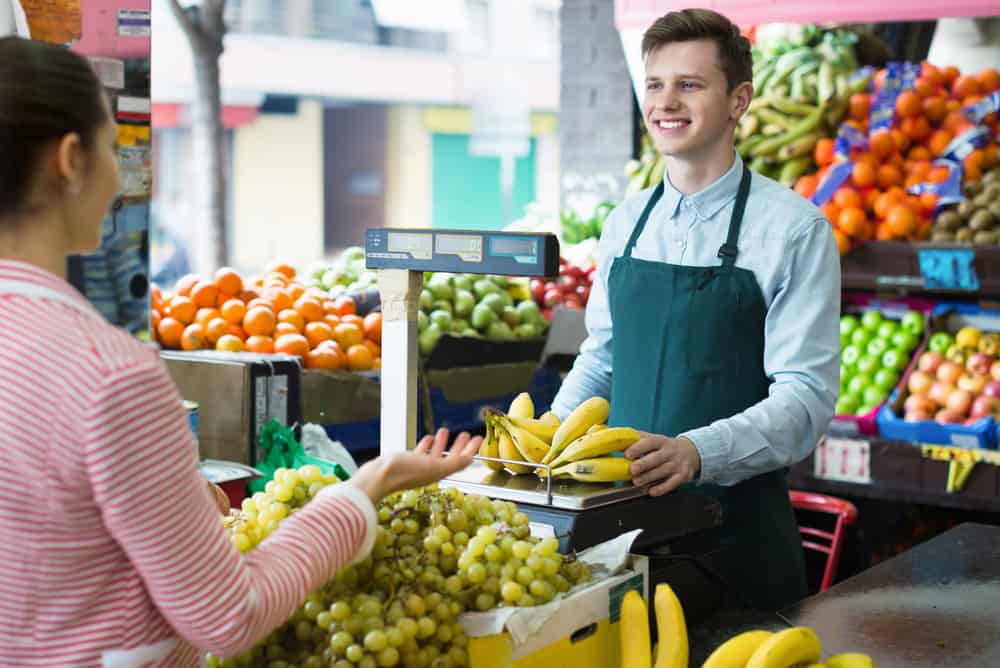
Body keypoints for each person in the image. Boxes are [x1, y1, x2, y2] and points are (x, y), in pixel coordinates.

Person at [0, 35, 480, 666]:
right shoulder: (110, 376)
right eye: (114, 149)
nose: (122, 174)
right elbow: (228, 615)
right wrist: (367, 488)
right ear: (70, 159)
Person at [551, 9, 840, 611]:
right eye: (656, 84)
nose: (666, 102)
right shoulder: (625, 224)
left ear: (739, 100)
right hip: (616, 542)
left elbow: (805, 401)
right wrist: (546, 442)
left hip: (735, 550)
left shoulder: (793, 230)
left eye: (689, 84)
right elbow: (602, 360)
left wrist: (698, 451)